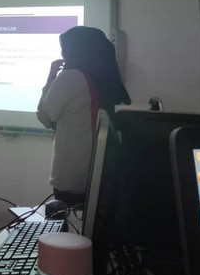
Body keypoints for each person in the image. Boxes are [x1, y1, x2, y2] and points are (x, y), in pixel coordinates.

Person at [37, 26, 130, 208]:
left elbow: (46, 116)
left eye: (65, 48)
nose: (63, 53)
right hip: (93, 166)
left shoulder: (70, 77)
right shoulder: (100, 75)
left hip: (71, 170)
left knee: (65, 218)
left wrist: (51, 77)